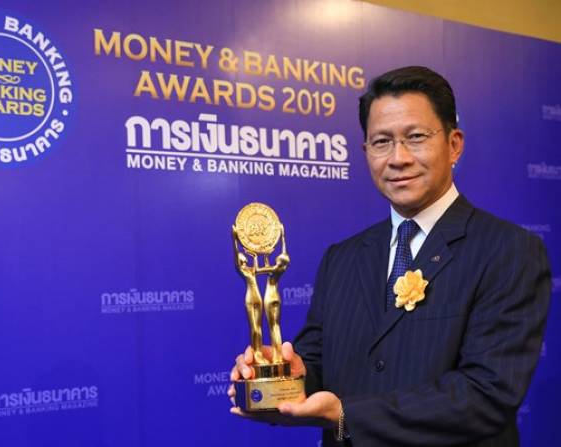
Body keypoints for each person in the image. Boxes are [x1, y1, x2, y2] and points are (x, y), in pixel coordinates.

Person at [229, 66, 551, 446]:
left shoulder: (508, 250)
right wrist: (286, 376)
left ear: (454, 145)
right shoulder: (342, 258)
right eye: (381, 142)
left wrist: (347, 415)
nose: (398, 158)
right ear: (366, 152)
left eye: (415, 137)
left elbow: (487, 394)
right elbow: (317, 365)